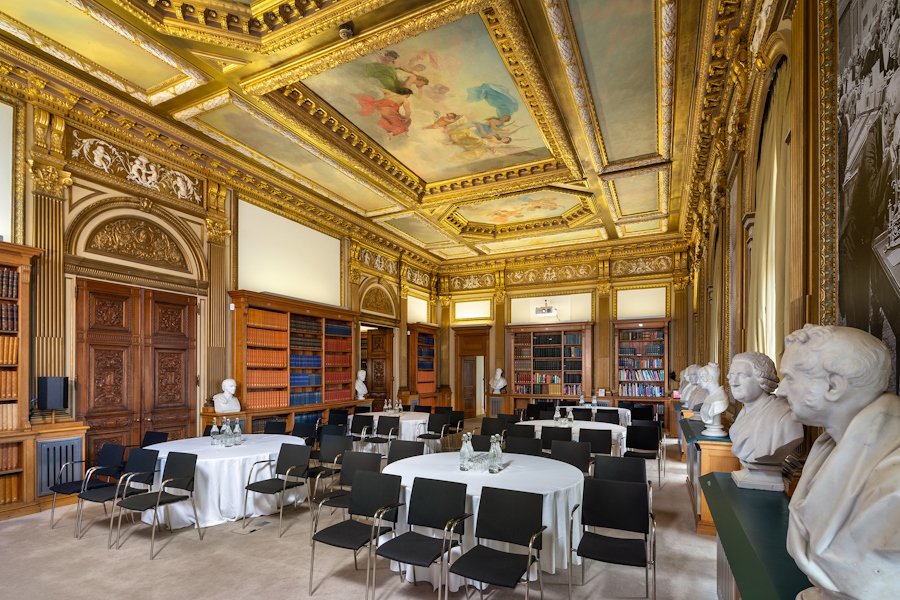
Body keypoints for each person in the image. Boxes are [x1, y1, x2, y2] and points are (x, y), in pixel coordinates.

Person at [778, 325, 900, 599]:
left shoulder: (893, 479)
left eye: (789, 378)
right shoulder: (827, 447)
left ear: (834, 386)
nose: (781, 390)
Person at [727, 352, 803, 489]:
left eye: (742, 376)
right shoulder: (743, 414)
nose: (733, 382)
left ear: (763, 379)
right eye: (731, 376)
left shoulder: (783, 417)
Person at [698, 362, 727, 437]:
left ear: (710, 378)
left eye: (701, 377)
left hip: (715, 430)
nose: (698, 381)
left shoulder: (719, 400)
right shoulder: (709, 396)